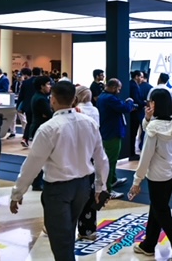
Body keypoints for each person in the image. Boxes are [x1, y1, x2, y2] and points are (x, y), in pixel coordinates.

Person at [10, 82, 109, 261]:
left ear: (53, 99)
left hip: (58, 189)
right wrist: (100, 187)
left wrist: (17, 192)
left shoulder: (48, 128)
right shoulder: (89, 123)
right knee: (68, 232)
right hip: (82, 187)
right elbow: (101, 158)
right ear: (74, 99)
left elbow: (32, 164)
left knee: (60, 238)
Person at [130, 89, 172, 261]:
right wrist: (148, 118)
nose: (148, 104)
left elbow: (145, 157)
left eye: (151, 101)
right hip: (170, 172)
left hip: (156, 175)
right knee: (157, 208)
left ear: (155, 104)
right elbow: (150, 128)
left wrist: (137, 181)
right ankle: (148, 245)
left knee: (162, 212)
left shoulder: (154, 128)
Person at [97, 78, 135, 199]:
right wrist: (130, 102)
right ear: (113, 87)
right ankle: (108, 189)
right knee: (110, 161)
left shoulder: (103, 96)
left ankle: (112, 180)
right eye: (118, 89)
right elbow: (125, 108)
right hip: (111, 133)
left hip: (109, 131)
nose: (119, 91)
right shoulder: (110, 98)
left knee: (111, 160)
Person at [74, 86, 101, 240]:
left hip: (76, 155)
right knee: (90, 193)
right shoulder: (95, 110)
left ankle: (73, 227)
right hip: (91, 153)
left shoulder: (76, 112)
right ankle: (89, 230)